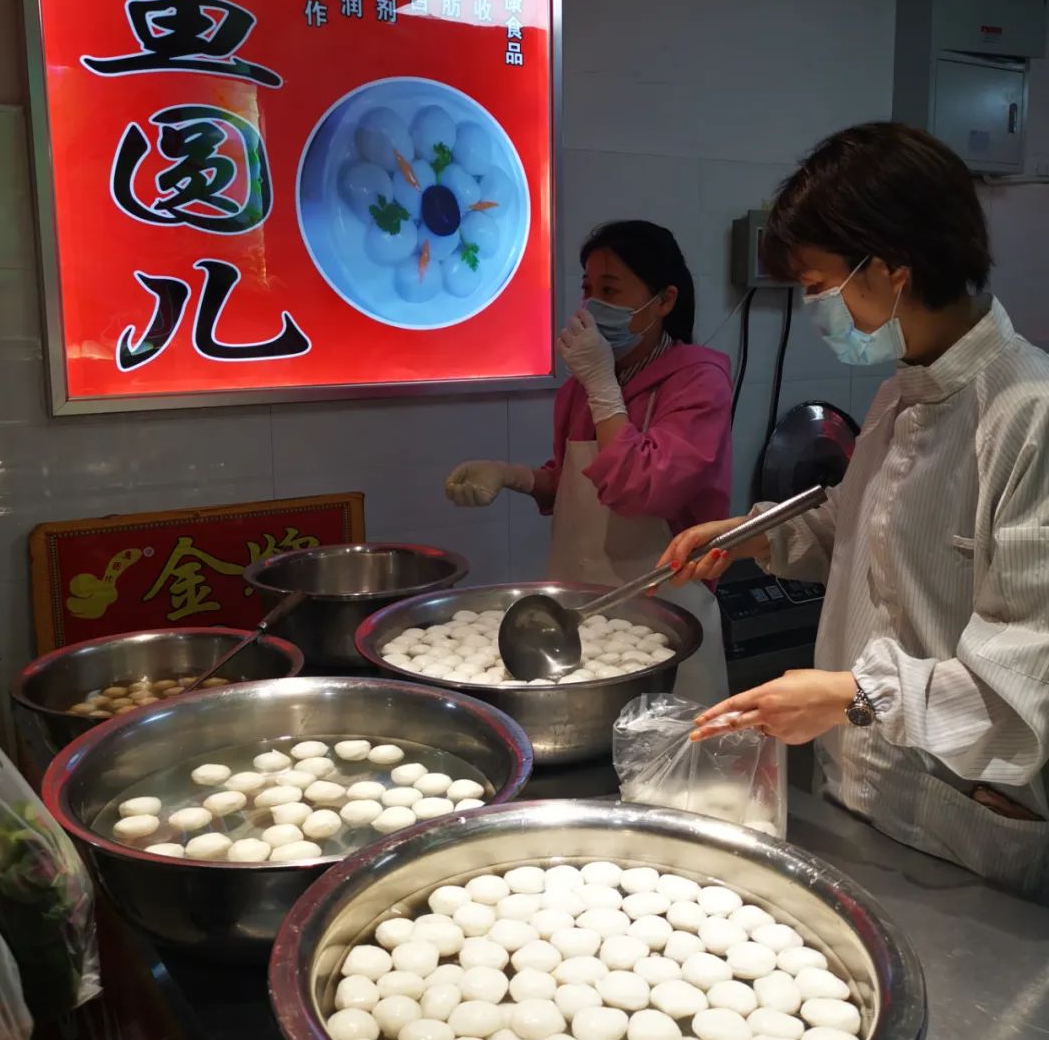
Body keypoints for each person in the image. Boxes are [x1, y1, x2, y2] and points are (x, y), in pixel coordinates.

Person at [661, 122, 1049, 900]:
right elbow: (859, 528)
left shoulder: (1027, 415)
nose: (812, 308)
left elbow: (1024, 684)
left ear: (892, 268)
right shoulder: (904, 388)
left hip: (964, 823)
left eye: (816, 285)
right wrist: (752, 537)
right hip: (861, 793)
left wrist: (849, 693)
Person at [446, 219, 733, 703]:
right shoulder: (583, 386)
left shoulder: (697, 382)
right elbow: (578, 483)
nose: (592, 305)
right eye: (588, 288)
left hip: (664, 611)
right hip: (576, 607)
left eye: (611, 289)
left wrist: (603, 387)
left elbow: (641, 487)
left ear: (664, 300)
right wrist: (514, 476)